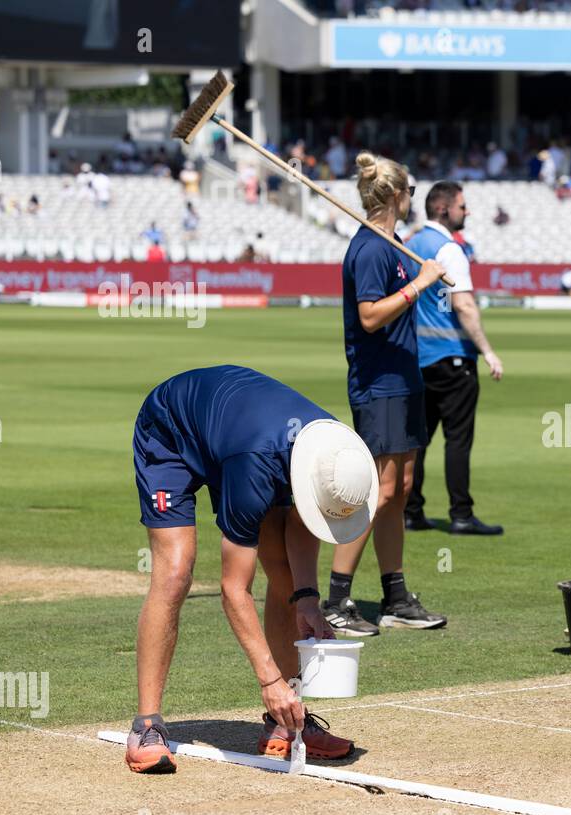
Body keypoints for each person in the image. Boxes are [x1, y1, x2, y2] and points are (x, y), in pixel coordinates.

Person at [126, 365, 378, 773]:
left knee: (287, 584)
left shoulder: (332, 451)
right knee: (175, 573)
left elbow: (303, 523)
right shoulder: (257, 468)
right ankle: (146, 726)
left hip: (240, 436)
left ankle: (285, 721)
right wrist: (269, 680)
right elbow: (233, 590)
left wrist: (308, 601)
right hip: (170, 428)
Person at [323, 152, 449, 637]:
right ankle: (337, 598)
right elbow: (372, 316)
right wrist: (419, 285)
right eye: (411, 191)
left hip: (403, 379)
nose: (412, 198)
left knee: (400, 490)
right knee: (377, 492)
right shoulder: (372, 248)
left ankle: (395, 596)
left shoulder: (393, 242)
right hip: (379, 384)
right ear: (398, 195)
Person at [400, 181, 505, 537]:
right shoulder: (450, 249)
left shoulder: (412, 245)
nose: (468, 212)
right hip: (453, 358)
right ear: (444, 209)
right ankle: (461, 514)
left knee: (419, 440)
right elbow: (463, 304)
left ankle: (411, 511)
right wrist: (488, 351)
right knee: (458, 439)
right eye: (463, 206)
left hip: (418, 360)